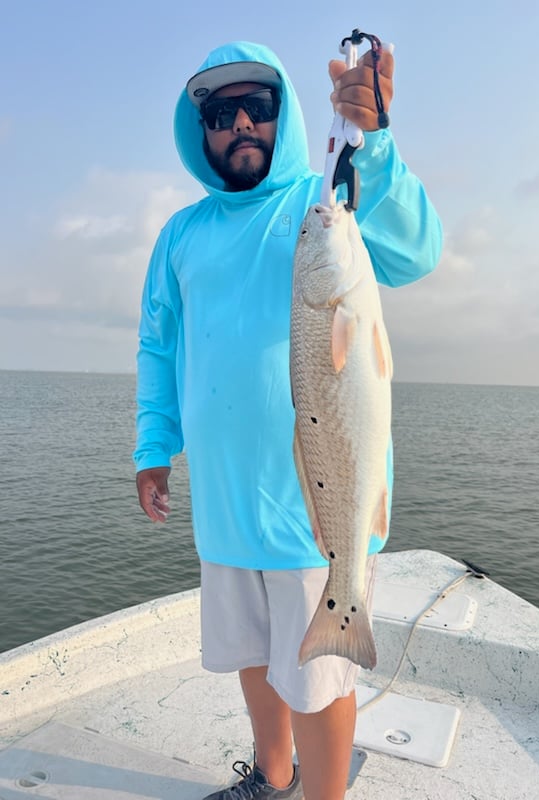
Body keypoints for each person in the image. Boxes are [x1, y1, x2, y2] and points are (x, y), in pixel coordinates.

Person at [134, 39, 442, 800]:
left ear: (285, 116)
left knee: (320, 671)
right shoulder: (180, 234)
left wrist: (374, 144)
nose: (241, 123)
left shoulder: (323, 202)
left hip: (318, 506)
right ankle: (272, 779)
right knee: (253, 654)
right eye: (220, 111)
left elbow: (416, 251)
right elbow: (158, 346)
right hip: (226, 501)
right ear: (197, 127)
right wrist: (153, 444)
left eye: (259, 107)